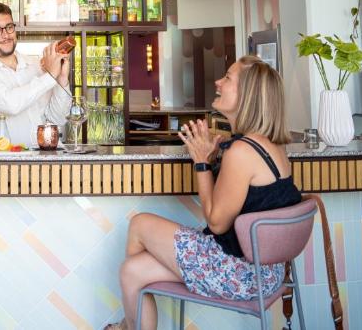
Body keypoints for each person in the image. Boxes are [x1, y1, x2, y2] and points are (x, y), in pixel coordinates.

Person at [106, 56, 301, 330]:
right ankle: (129, 326)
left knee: (140, 223)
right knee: (132, 272)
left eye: (228, 78)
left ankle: (128, 327)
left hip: (238, 274)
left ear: (247, 95)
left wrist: (201, 162)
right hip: (267, 273)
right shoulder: (274, 146)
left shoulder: (242, 152)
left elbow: (217, 223)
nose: (218, 82)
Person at [0, 1, 71, 147]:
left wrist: (61, 80)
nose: (6, 35)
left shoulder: (35, 65)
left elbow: (57, 120)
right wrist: (50, 76)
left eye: (9, 27)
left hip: (36, 159)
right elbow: (11, 104)